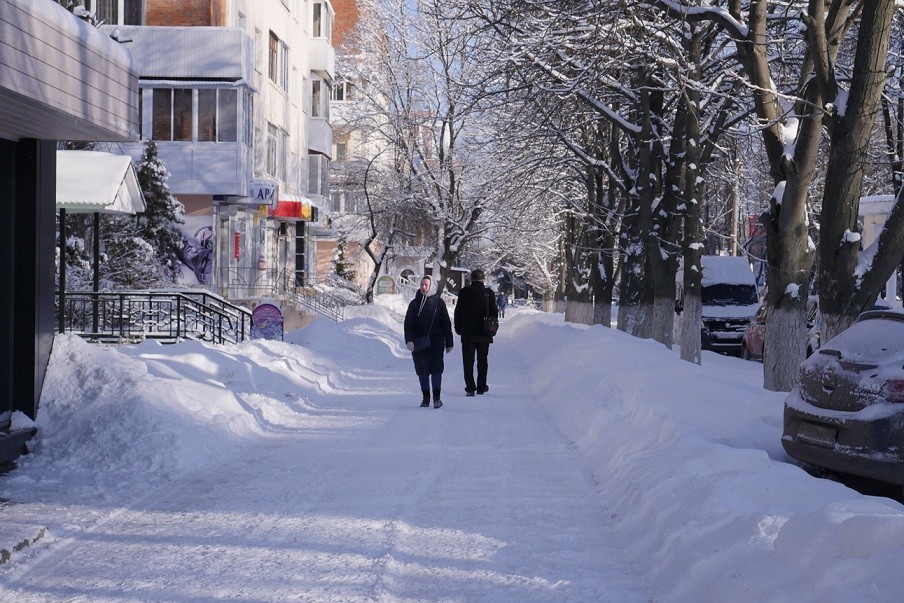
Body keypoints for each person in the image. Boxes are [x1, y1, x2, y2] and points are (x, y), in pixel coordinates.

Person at [404, 275, 453, 408]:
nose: (423, 287)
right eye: (422, 284)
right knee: (422, 369)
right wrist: (409, 340)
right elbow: (408, 323)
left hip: (436, 341)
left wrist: (449, 341)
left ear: (432, 286)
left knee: (437, 368)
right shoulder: (414, 304)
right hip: (419, 341)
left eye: (426, 285)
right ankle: (426, 397)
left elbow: (446, 323)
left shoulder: (439, 303)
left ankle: (437, 397)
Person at [454, 269, 498, 396]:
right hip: (484, 333)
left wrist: (458, 328)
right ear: (483, 279)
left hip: (467, 333)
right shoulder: (488, 293)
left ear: (471, 279)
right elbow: (494, 312)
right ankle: (481, 386)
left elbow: (458, 312)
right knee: (482, 361)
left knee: (468, 361)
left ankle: (470, 387)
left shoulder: (464, 292)